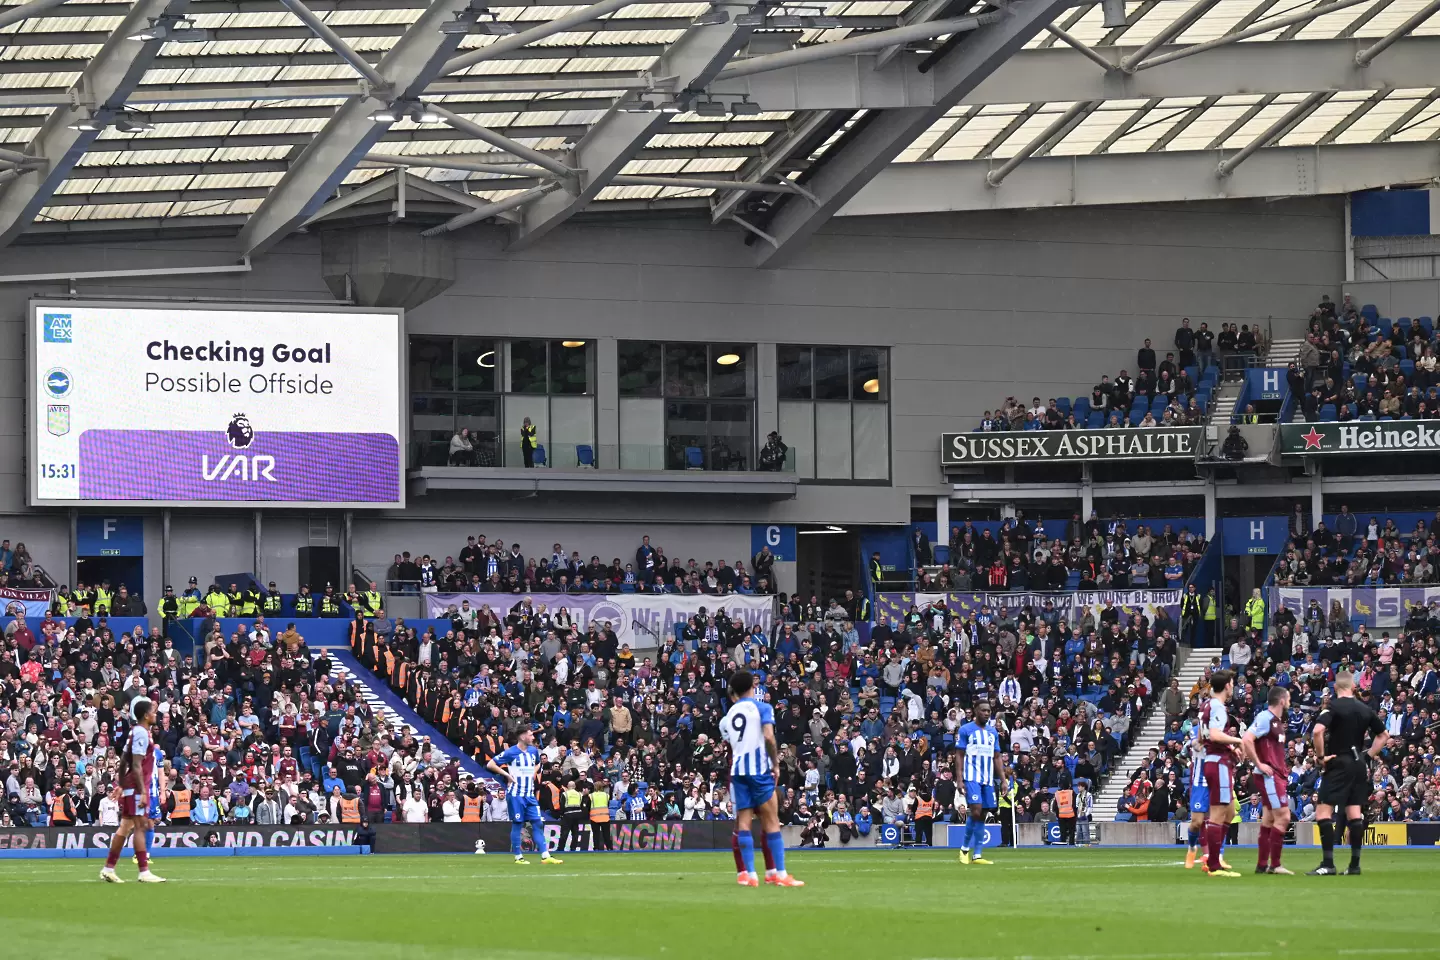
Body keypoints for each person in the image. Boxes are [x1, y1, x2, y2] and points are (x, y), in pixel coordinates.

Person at [721, 669, 803, 887]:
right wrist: (775, 763)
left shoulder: (729, 714)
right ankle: (780, 873)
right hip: (758, 769)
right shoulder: (762, 707)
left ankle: (749, 875)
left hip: (738, 771)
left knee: (744, 824)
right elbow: (768, 735)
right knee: (771, 822)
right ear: (753, 687)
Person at [1308, 671, 1389, 876]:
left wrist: (1320, 757)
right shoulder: (1365, 708)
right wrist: (1368, 756)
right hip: (1358, 763)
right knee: (1354, 814)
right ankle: (1354, 865)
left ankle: (1328, 864)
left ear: (1336, 687)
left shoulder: (1333, 707)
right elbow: (1384, 735)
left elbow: (1317, 731)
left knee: (1323, 813)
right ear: (1353, 687)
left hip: (1338, 761)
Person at [100, 698, 166, 884]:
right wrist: (143, 791)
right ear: (146, 715)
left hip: (132, 785)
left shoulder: (135, 732)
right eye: (153, 711)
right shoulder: (141, 733)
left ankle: (108, 868)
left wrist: (122, 784)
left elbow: (123, 762)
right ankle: (144, 871)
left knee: (126, 827)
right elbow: (136, 765)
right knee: (141, 826)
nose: (155, 714)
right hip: (138, 786)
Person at [485, 729, 563, 865]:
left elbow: (538, 763)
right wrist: (507, 775)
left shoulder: (533, 751)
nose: (533, 736)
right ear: (522, 736)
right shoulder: (511, 752)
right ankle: (518, 857)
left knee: (538, 823)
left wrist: (533, 771)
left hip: (530, 794)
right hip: (516, 795)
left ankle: (546, 856)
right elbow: (490, 764)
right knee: (518, 824)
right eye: (530, 734)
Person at [1244, 686, 1294, 875]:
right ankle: (1275, 864)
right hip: (1269, 775)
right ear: (1281, 700)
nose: (1289, 702)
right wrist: (1260, 763)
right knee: (1284, 817)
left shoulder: (1276, 721)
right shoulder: (1265, 718)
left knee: (1269, 818)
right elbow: (1247, 739)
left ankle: (1262, 864)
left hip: (1275, 774)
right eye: (1287, 698)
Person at [1200, 669, 1243, 878]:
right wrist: (1238, 741)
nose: (1233, 686)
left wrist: (1230, 748)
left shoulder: (1206, 705)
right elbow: (1215, 735)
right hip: (1217, 763)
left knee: (1230, 812)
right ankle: (1214, 864)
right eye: (1232, 683)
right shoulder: (1218, 706)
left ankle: (1216, 858)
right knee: (1218, 813)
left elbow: (1203, 735)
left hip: (1214, 760)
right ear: (1227, 685)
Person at [953, 699, 1006, 865]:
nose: (986, 713)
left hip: (988, 779)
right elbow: (959, 755)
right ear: (975, 711)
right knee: (976, 811)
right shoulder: (966, 730)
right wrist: (959, 779)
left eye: (989, 711)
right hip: (971, 777)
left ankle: (976, 855)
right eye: (983, 710)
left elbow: (997, 757)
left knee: (983, 814)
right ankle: (964, 849)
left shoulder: (992, 733)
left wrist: (1003, 780)